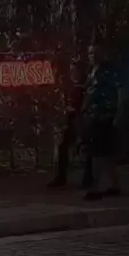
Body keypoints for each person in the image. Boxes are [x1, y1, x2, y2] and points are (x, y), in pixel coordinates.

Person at [81, 42, 122, 200]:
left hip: (104, 115)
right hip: (97, 114)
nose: (92, 56)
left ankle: (96, 187)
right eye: (90, 53)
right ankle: (114, 185)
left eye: (95, 52)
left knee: (98, 152)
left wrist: (118, 114)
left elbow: (119, 91)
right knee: (107, 152)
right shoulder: (94, 70)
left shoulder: (108, 70)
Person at [49, 60, 92, 188]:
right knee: (64, 147)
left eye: (75, 71)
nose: (73, 73)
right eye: (71, 71)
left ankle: (88, 179)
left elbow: (85, 105)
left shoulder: (86, 87)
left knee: (86, 149)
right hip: (72, 120)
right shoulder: (73, 86)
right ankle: (62, 177)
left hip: (82, 120)